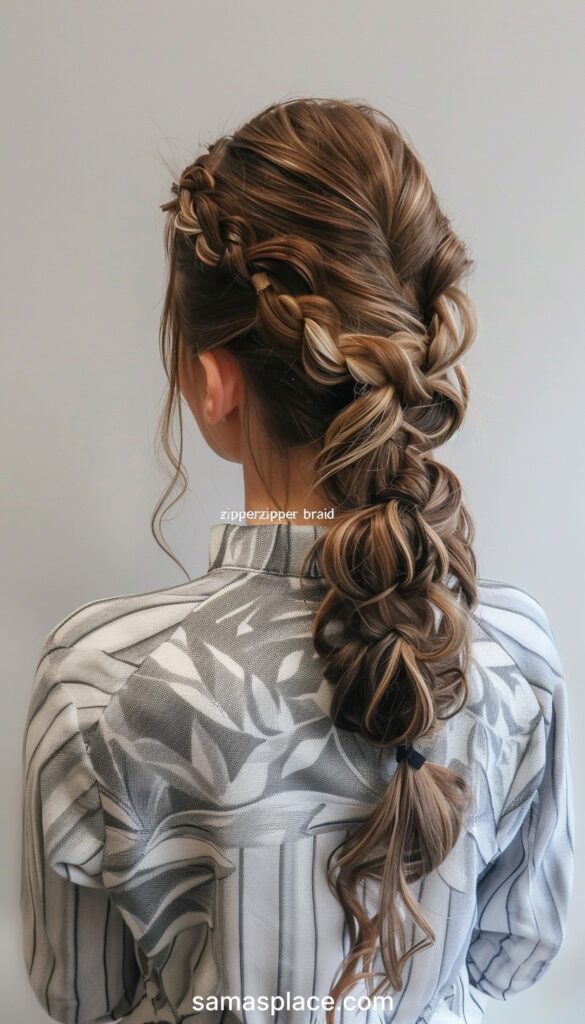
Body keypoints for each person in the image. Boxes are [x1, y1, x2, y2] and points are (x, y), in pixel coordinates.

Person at [20, 97, 574, 1024]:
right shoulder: (514, 650)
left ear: (212, 381)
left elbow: (83, 996)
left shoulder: (99, 675)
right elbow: (517, 952)